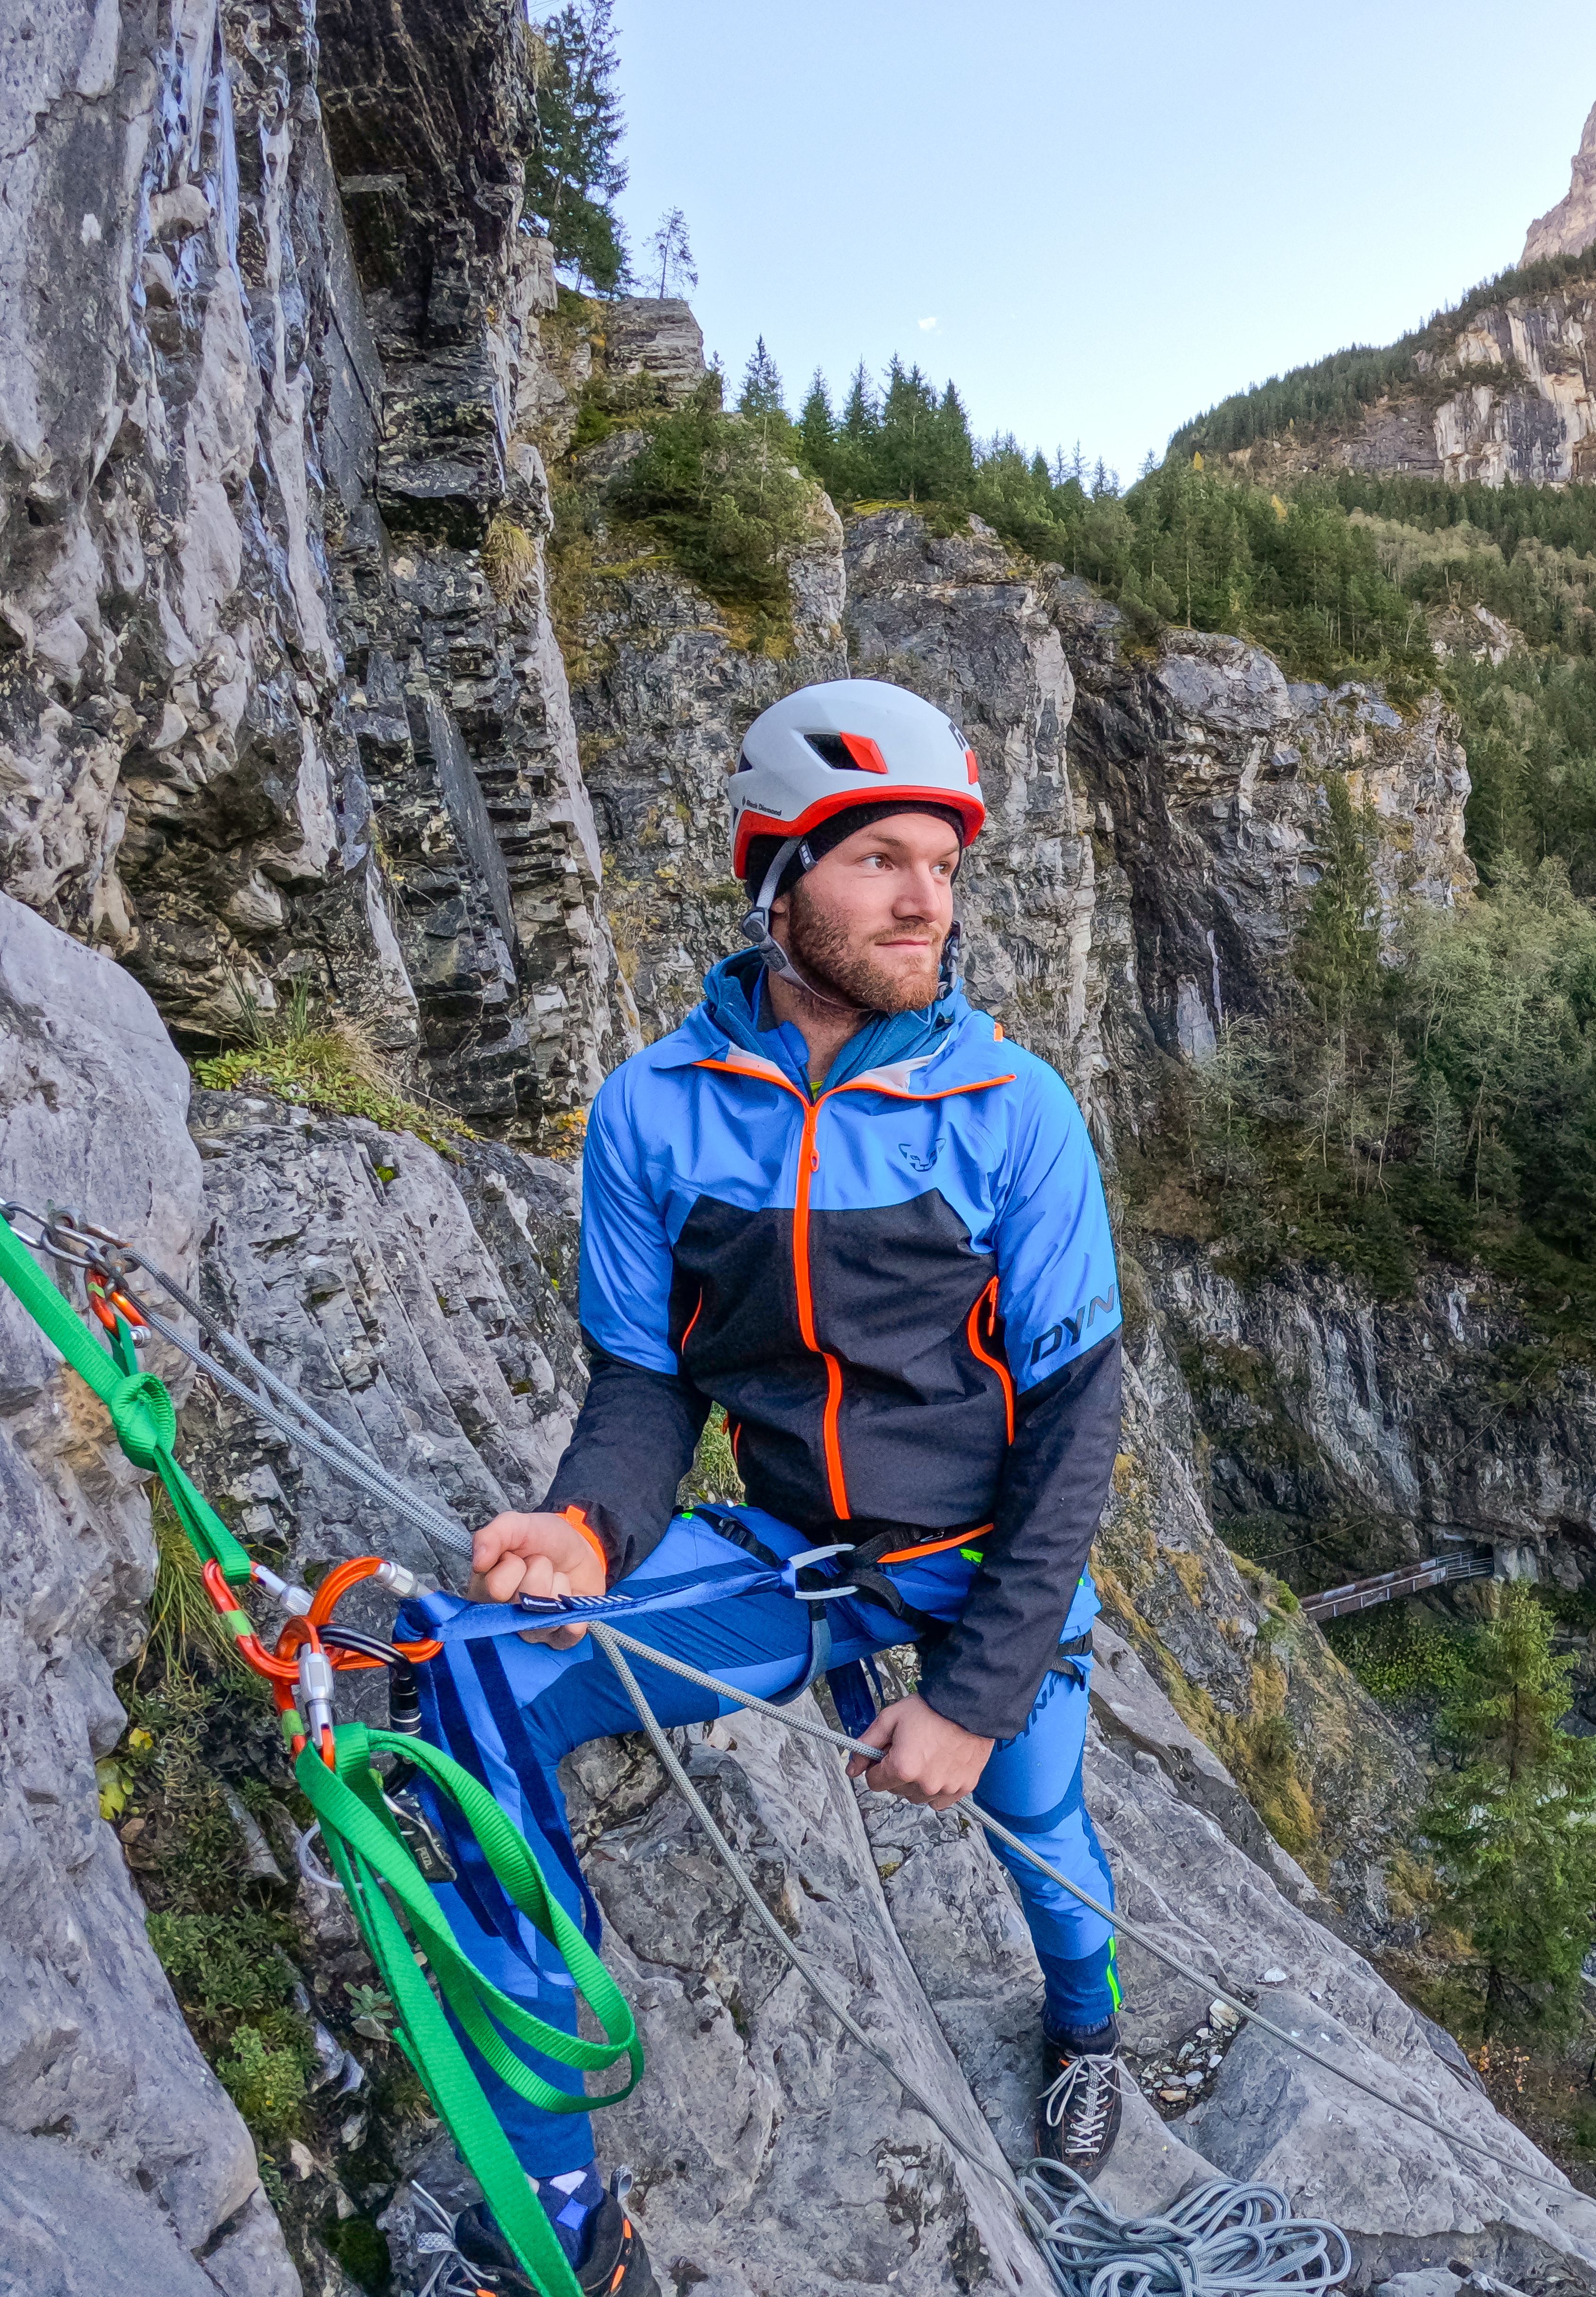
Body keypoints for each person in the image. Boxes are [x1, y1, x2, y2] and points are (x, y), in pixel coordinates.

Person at [409, 680, 1128, 2297]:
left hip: (974, 1566)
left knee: (1041, 1829)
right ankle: (559, 2210)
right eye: (880, 857)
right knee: (468, 1681)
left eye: (944, 865)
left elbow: (1078, 1418)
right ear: (780, 871)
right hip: (789, 1551)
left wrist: (978, 1693)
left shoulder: (1010, 1113)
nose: (927, 897)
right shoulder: (658, 1109)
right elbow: (647, 1380)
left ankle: (1085, 2027)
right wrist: (587, 1522)